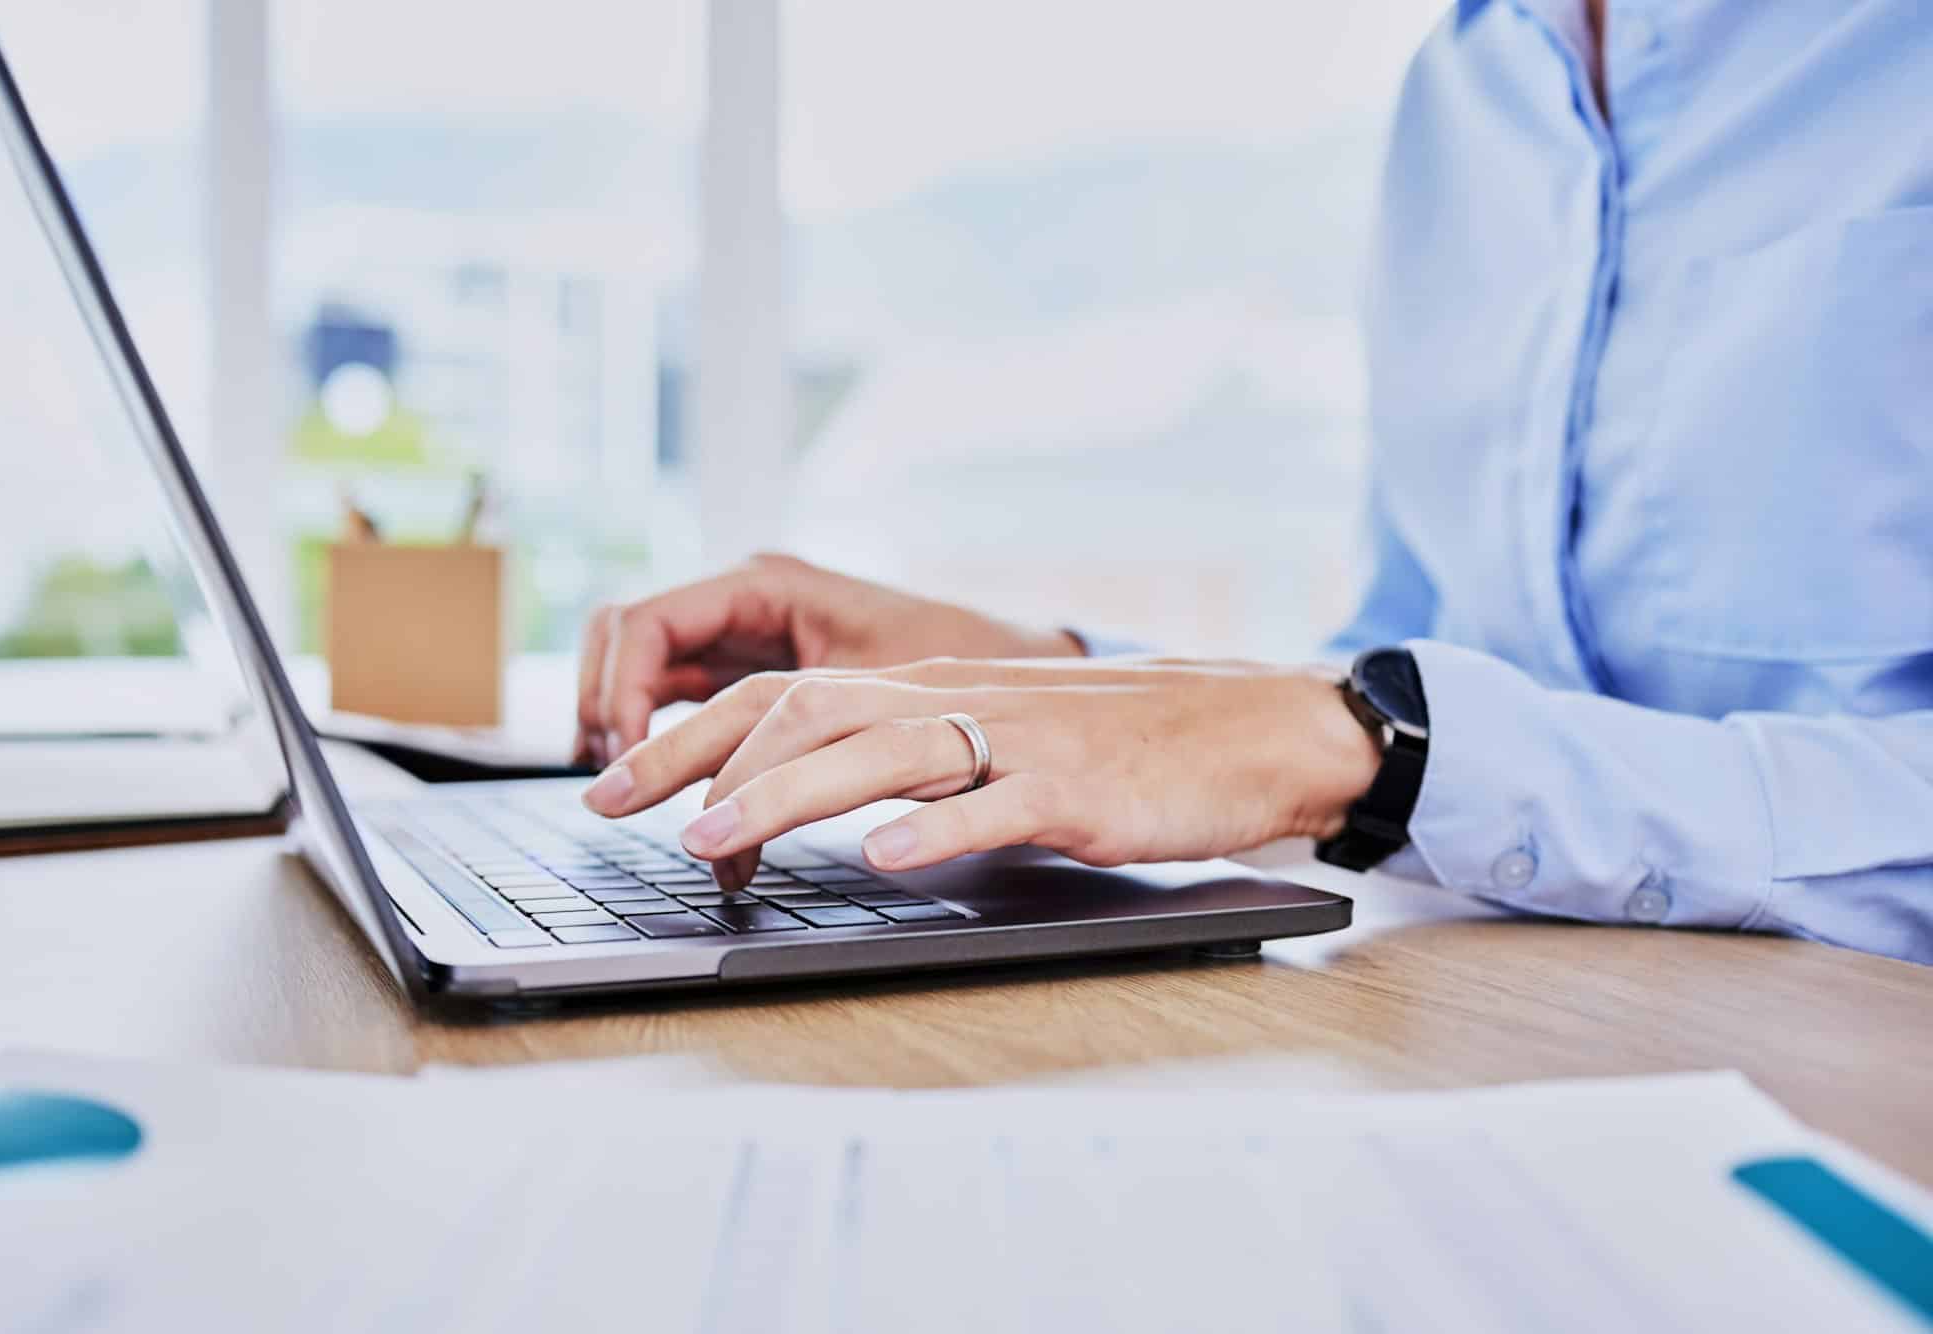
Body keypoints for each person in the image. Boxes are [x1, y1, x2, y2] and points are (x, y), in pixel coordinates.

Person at [574, 0, 1933, 965]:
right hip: (1531, 1043)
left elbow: (1424, 747)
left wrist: (1368, 756)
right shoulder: (1468, 91)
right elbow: (1442, 676)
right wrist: (1038, 672)